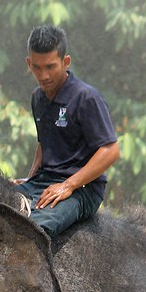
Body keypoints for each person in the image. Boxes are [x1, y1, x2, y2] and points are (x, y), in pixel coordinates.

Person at [13, 25, 119, 238]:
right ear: (28, 64)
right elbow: (44, 145)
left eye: (51, 67)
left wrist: (68, 185)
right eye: (37, 67)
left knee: (31, 231)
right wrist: (30, 178)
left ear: (66, 62)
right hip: (43, 182)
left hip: (82, 190)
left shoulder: (87, 98)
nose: (44, 76)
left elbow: (111, 151)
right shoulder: (38, 98)